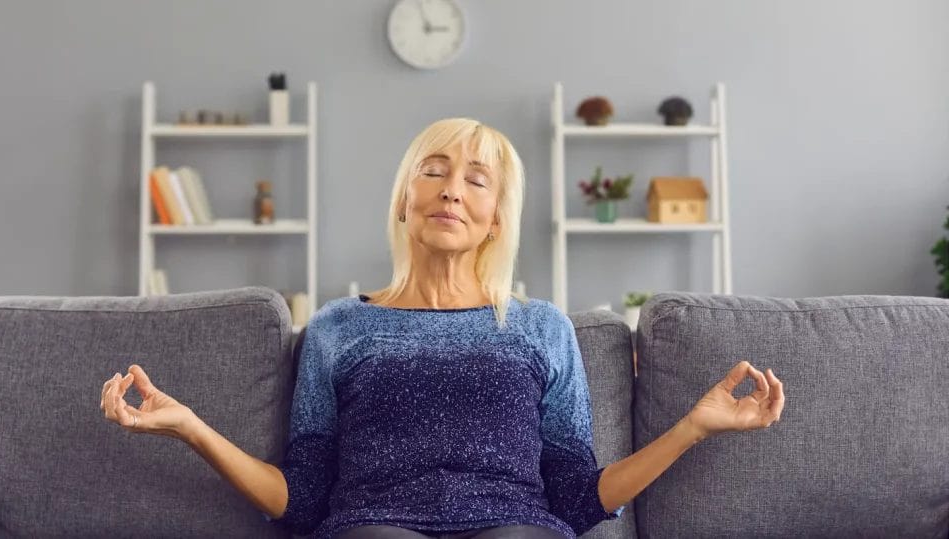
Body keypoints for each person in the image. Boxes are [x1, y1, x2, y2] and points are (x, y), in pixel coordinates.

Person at [100, 118, 785, 539]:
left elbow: (578, 497)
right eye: (434, 171)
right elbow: (302, 499)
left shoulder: (541, 327)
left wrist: (695, 425)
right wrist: (190, 426)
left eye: (476, 180)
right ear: (406, 200)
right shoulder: (339, 327)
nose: (452, 188)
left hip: (519, 525)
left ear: (495, 218)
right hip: (371, 526)